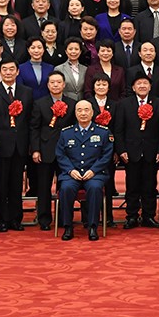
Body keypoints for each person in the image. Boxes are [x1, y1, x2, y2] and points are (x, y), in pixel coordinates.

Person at [0, 59, 33, 232]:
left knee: (17, 184)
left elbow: (30, 120)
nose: (8, 72)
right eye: (5, 69)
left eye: (11, 69)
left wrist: (30, 144)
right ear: (0, 72)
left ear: (17, 72)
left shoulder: (26, 92)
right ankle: (1, 219)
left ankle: (16, 219)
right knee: (0, 184)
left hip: (20, 144)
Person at [55, 100, 114, 241]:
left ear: (92, 112)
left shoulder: (103, 132)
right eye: (79, 110)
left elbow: (106, 156)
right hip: (72, 174)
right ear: (75, 113)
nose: (83, 113)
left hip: (95, 174)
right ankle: (68, 226)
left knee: (95, 188)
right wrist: (70, 170)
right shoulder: (66, 133)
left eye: (86, 110)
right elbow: (60, 154)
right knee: (66, 188)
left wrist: (93, 170)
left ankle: (93, 226)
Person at [114, 74, 159, 229]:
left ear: (150, 86)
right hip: (131, 152)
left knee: (150, 186)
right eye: (139, 83)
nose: (142, 86)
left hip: (152, 151)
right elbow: (118, 130)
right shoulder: (124, 104)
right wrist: (121, 150)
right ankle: (131, 216)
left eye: (145, 83)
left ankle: (149, 216)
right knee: (132, 186)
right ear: (133, 87)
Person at [30, 71, 76, 231]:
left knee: (65, 187)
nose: (55, 85)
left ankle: (64, 218)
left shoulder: (72, 103)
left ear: (64, 85)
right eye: (52, 82)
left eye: (58, 82)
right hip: (45, 151)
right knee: (44, 187)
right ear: (48, 85)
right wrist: (35, 149)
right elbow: (34, 128)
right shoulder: (39, 103)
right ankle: (44, 219)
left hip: (67, 152)